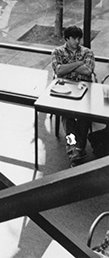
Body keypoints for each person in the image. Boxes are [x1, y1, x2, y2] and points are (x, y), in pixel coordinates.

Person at [51, 25, 95, 166]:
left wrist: (67, 67)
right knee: (67, 116)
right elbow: (58, 71)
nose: (77, 41)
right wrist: (78, 63)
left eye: (79, 38)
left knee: (84, 116)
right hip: (65, 90)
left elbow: (88, 71)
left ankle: (75, 150)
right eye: (74, 38)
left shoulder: (88, 52)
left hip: (85, 90)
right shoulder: (57, 52)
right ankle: (76, 150)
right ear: (67, 39)